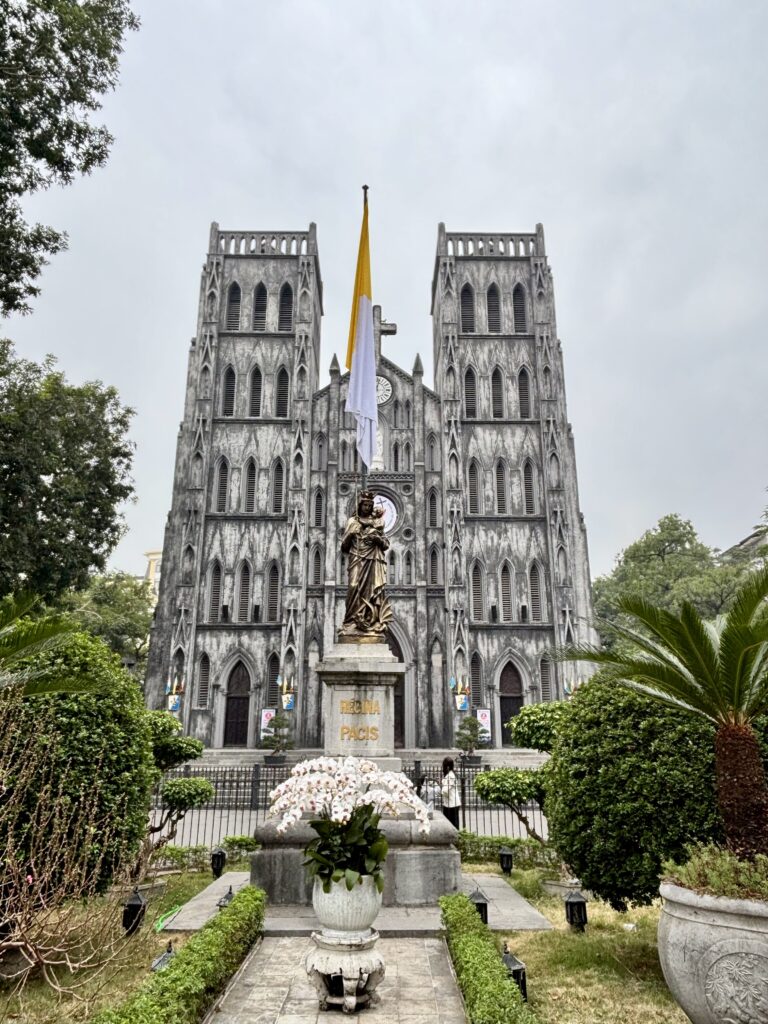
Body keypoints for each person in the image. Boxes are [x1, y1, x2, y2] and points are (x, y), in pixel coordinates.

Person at [340, 491, 392, 637]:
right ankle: (351, 621)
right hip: (356, 558)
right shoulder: (353, 521)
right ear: (360, 505)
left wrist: (377, 539)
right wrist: (350, 534)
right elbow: (344, 547)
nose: (367, 507)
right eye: (365, 505)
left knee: (372, 593)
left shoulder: (377, 522)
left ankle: (369, 620)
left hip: (373, 561)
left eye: (370, 505)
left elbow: (386, 544)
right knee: (353, 586)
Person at [440, 756, 461, 827]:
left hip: (452, 804)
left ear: (447, 767)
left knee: (452, 825)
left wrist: (439, 790)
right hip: (449, 803)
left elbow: (445, 791)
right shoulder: (449, 775)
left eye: (444, 766)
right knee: (450, 824)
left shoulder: (450, 776)